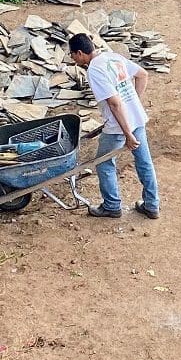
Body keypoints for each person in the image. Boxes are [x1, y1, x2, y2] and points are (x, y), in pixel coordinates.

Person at [67, 33, 160, 221]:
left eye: (72, 55)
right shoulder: (113, 57)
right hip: (137, 119)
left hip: (118, 128)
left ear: (80, 53)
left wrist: (127, 133)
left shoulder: (94, 69)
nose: (72, 59)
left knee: (104, 163)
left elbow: (115, 103)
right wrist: (133, 103)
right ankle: (152, 205)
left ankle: (111, 206)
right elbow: (142, 75)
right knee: (144, 162)